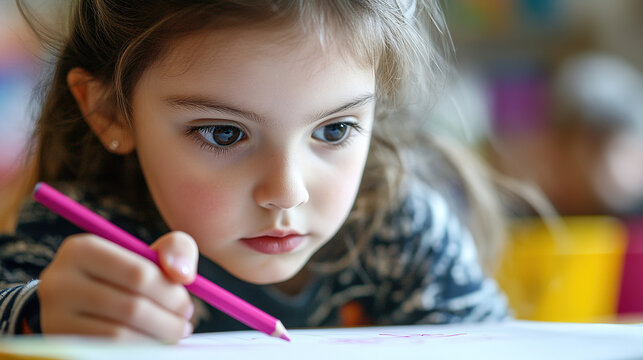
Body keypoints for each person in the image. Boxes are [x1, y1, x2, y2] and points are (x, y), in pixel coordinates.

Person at [0, 0, 509, 342]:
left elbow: (496, 346)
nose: (287, 194)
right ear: (111, 111)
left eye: (334, 131)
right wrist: (41, 317)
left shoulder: (402, 233)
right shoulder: (89, 236)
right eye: (225, 133)